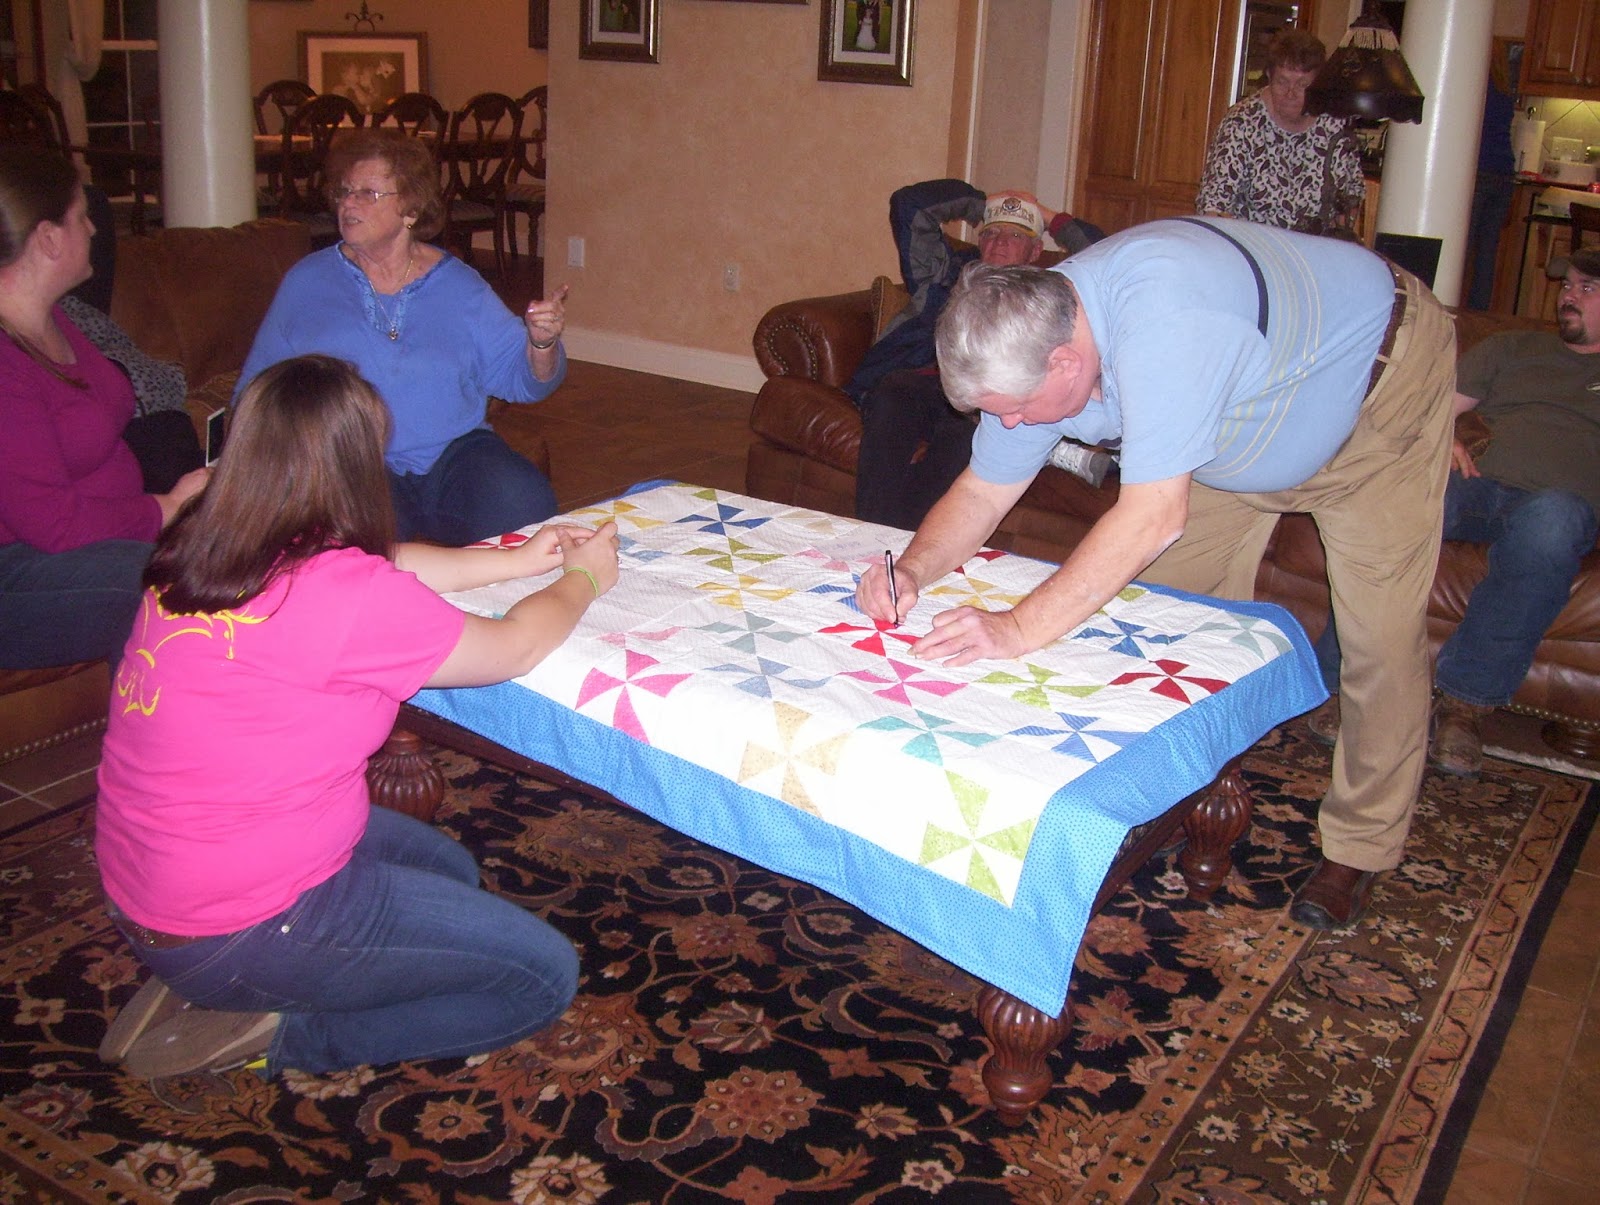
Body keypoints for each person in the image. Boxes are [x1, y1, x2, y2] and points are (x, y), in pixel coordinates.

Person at [854, 218, 1457, 933]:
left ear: (1066, 365)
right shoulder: (1035, 331)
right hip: (1241, 414)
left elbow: (1151, 516)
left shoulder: (1168, 326)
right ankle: (1175, 795)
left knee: (1379, 639)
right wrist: (913, 568)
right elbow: (984, 490)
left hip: (1374, 392)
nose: (1009, 427)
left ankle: (1361, 844)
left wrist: (1016, 627)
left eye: (1014, 410)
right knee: (1162, 620)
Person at [95, 354, 621, 1079]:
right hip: (241, 920)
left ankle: (214, 978)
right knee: (540, 978)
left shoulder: (199, 547)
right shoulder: (344, 597)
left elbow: (385, 562)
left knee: (450, 868)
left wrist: (514, 562)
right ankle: (274, 1034)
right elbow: (517, 644)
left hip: (153, 885)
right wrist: (584, 579)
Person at [1310, 248, 1600, 776]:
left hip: (1558, 504)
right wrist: (1440, 441)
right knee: (1396, 503)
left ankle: (1465, 705)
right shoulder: (1515, 349)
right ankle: (1346, 683)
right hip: (1475, 481)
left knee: (1552, 521)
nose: (1568, 297)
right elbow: (1432, 407)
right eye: (1569, 286)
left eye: (1587, 289)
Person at [238, 127, 569, 546]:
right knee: (359, 549)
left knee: (527, 505)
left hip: (453, 452)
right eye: (344, 192)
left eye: (368, 193)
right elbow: (258, 387)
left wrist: (541, 342)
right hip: (354, 462)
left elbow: (523, 379)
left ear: (411, 210)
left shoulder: (460, 287)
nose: (349, 203)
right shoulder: (307, 283)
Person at [0, 148, 208, 671]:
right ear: (48, 238)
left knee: (243, 543)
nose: (94, 229)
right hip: (16, 573)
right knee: (158, 577)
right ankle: (161, 748)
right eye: (80, 216)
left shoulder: (59, 320)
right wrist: (166, 509)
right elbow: (55, 526)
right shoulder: (6, 366)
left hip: (81, 544)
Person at [850, 179, 1104, 530]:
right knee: (891, 395)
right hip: (922, 383)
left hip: (986, 403)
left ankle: (895, 539)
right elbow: (909, 204)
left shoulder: (1050, 292)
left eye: (1015, 236)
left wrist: (1051, 218)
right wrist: (982, 205)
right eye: (991, 232)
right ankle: (870, 534)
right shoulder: (944, 272)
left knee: (966, 438)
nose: (999, 241)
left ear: (1034, 252)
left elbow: (1105, 253)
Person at [1196, 28, 1364, 235]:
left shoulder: (1336, 124)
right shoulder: (1241, 124)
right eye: (1282, 81)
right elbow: (1214, 208)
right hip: (1256, 246)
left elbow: (1350, 200)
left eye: (1303, 84)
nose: (1290, 93)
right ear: (1268, 76)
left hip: (1316, 249)